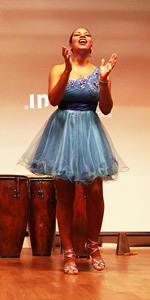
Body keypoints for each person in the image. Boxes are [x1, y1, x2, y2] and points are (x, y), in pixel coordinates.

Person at [19, 27, 126, 274]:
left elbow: (106, 109)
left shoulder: (101, 71)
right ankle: (68, 251)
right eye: (77, 34)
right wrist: (67, 70)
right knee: (65, 194)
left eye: (87, 34)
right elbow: (53, 100)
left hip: (89, 131)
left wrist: (103, 80)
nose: (83, 35)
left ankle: (93, 246)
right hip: (63, 130)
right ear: (71, 44)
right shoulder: (58, 69)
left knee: (95, 191)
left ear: (91, 45)